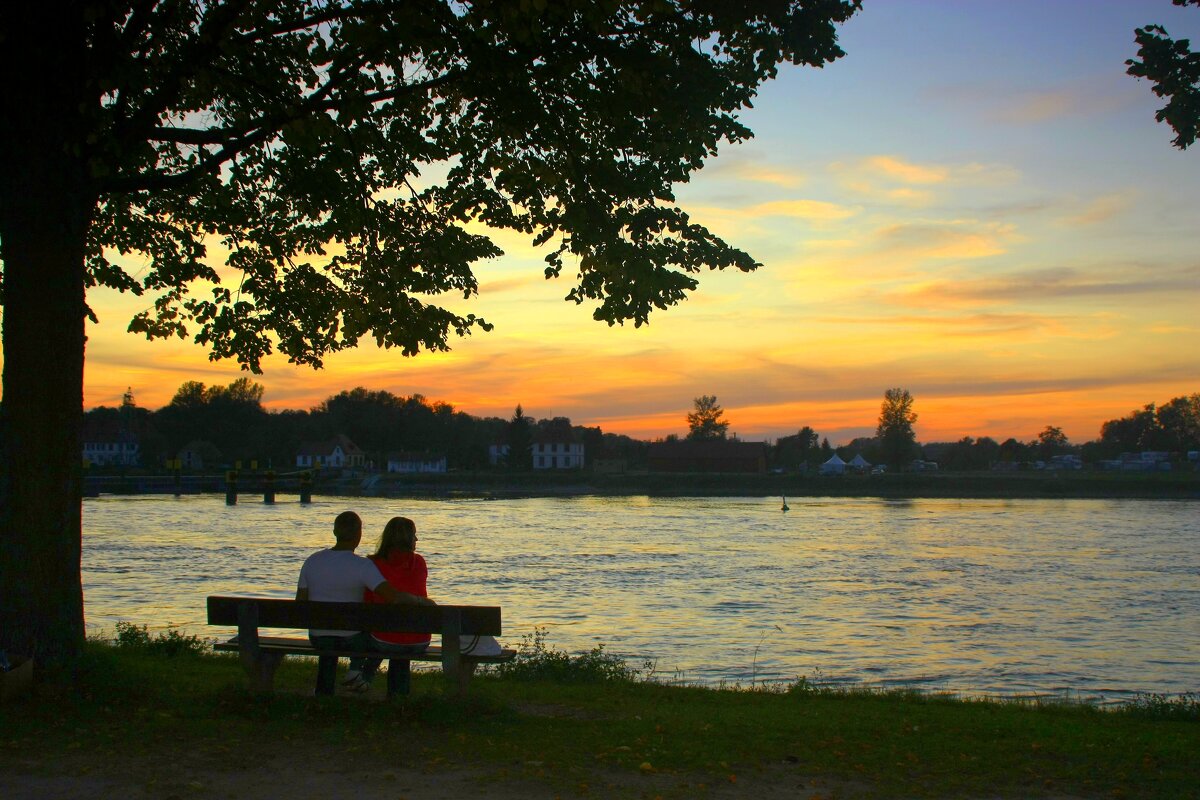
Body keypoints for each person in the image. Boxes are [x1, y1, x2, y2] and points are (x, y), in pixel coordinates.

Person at [295, 510, 430, 692]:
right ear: (359, 534)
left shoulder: (311, 561)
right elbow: (392, 597)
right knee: (374, 632)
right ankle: (363, 676)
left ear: (334, 531)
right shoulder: (364, 566)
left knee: (369, 633)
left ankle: (327, 693)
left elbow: (299, 604)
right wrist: (423, 602)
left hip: (319, 637)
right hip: (353, 639)